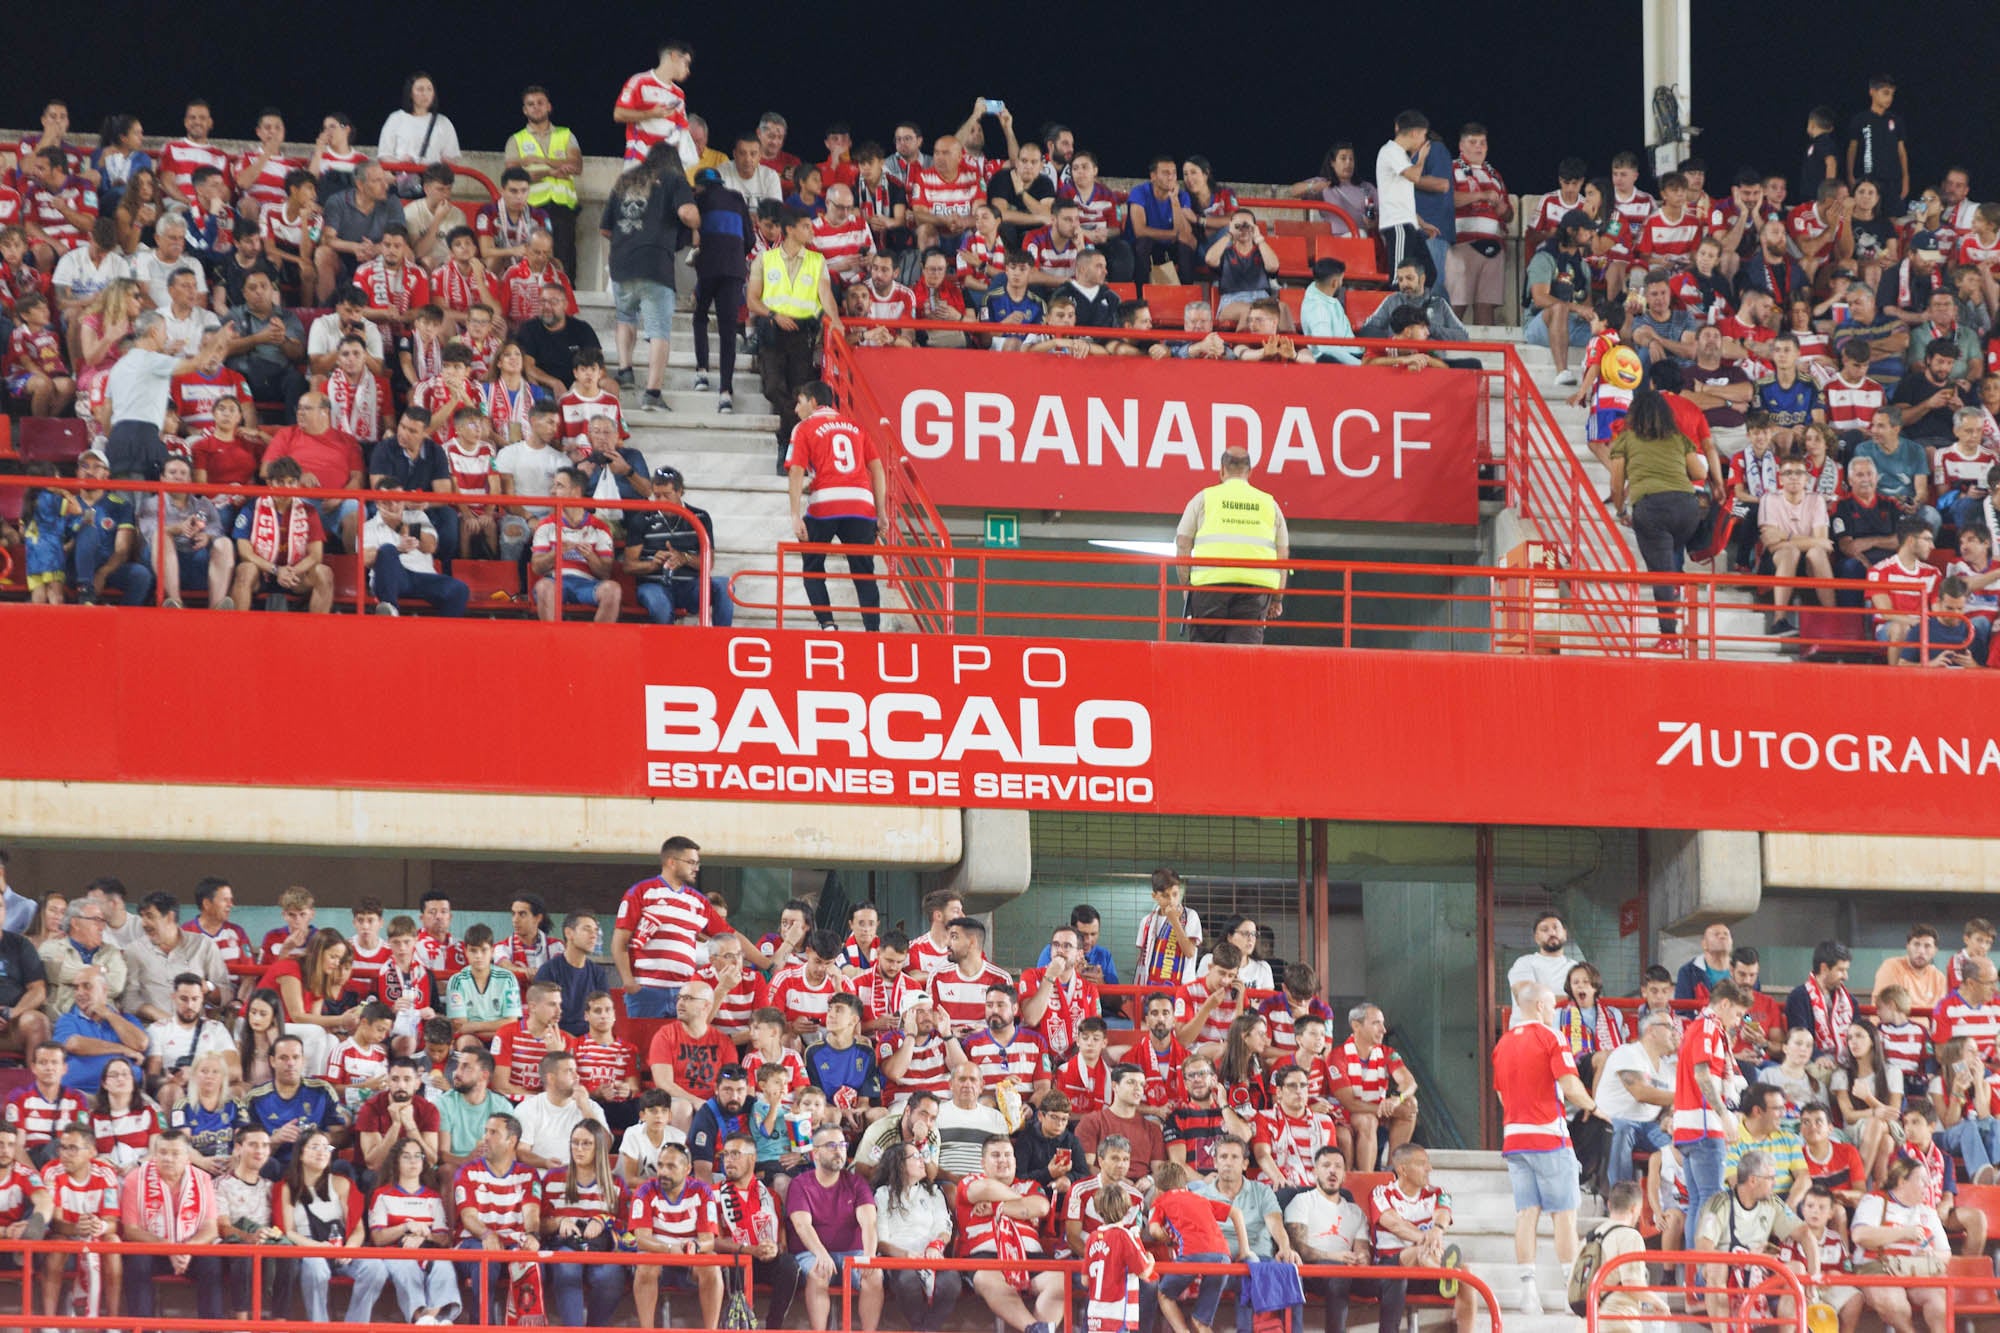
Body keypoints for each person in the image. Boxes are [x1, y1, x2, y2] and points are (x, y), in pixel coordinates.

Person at [1495, 983, 1597, 1314]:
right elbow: (1569, 1085)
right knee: (1564, 1216)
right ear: (1540, 1005)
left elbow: (1501, 1094)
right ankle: (1572, 1293)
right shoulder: (1552, 1037)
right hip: (1549, 1137)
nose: (1555, 1012)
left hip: (1514, 1137)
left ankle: (1528, 1293)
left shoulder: (1503, 1043)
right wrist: (1596, 1107)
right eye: (1552, 1006)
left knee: (1526, 1213)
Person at [601, 142, 699, 416]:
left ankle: (625, 370)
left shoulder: (626, 179)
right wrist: (697, 224)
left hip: (621, 262)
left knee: (625, 318)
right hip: (655, 264)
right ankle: (652, 393)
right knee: (658, 331)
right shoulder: (673, 179)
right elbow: (687, 213)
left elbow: (605, 229)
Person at [1609, 389, 1706, 642]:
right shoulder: (1678, 438)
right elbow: (1697, 472)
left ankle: (1669, 635)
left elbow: (1616, 485)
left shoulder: (1626, 440)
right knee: (1669, 555)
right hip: (1687, 508)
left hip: (1651, 508)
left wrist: (1621, 511)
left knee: (1659, 571)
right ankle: (1676, 581)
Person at [752, 206, 843, 459]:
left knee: (800, 391)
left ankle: (787, 447)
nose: (811, 231)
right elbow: (752, 300)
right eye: (806, 226)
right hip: (772, 330)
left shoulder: (817, 261)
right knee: (772, 388)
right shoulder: (765, 258)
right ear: (789, 229)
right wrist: (773, 315)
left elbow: (825, 294)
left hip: (801, 334)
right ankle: (790, 443)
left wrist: (835, 320)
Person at [274, 1128, 389, 1325]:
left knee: (376, 1268)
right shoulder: (287, 1186)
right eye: (314, 1147)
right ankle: (319, 1326)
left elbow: (357, 1229)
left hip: (341, 1250)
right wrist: (318, 1248)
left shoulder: (341, 1183)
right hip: (309, 1251)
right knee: (317, 1267)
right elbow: (288, 1231)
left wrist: (350, 1249)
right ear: (300, 1154)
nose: (322, 1152)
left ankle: (355, 1326)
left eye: (326, 1147)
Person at [1174, 446, 1287, 645]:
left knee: (1205, 656)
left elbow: (1183, 544)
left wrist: (1187, 587)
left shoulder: (1203, 499)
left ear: (1222, 470)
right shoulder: (1270, 504)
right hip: (1255, 590)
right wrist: (1277, 598)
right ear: (1249, 472)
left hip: (1209, 587)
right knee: (1243, 658)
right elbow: (1282, 554)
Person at [957, 1133, 1065, 1333]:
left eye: (1008, 1155)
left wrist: (997, 1208)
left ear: (1015, 1160)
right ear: (983, 1162)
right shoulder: (971, 1180)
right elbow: (986, 1188)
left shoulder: (1031, 1185)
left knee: (1061, 1281)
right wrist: (1020, 1201)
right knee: (989, 1281)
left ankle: (1041, 1329)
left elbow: (1041, 1207)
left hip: (1030, 1255)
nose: (1003, 1160)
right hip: (985, 1256)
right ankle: (1033, 1328)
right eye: (995, 1155)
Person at [1370, 1144, 1475, 1333]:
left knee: (1466, 1274)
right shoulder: (1381, 1192)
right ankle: (1446, 1273)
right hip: (1391, 1267)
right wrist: (1426, 1237)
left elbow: (1443, 1213)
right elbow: (1394, 1224)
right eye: (1422, 1164)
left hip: (1426, 1269)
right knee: (1419, 1252)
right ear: (1402, 1170)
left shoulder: (1438, 1192)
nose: (1429, 1169)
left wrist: (1438, 1229)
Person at [1674, 978, 1750, 1231]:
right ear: (1725, 1004)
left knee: (1698, 1202)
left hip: (1689, 1126)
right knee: (1710, 1200)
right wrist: (1724, 1115)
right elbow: (1702, 1074)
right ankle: (1705, 1270)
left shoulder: (1700, 1027)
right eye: (1738, 1014)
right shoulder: (1708, 1027)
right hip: (1704, 1127)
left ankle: (1696, 1269)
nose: (1738, 1022)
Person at [451, 1112, 541, 1323]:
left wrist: (532, 1235)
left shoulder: (528, 1174)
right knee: (486, 1260)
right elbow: (468, 1217)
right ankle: (483, 1326)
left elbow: (532, 1213)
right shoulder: (467, 1171)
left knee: (534, 1263)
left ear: (512, 1141)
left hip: (512, 1242)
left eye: (493, 1133)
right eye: (485, 1132)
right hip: (472, 1242)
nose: (485, 1138)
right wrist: (486, 1234)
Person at [537, 1120, 625, 1327]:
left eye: (586, 1144)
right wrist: (559, 1222)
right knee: (567, 1266)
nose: (579, 1149)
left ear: (599, 1148)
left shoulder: (616, 1184)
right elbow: (537, 1224)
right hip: (564, 1245)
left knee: (609, 1275)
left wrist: (603, 1221)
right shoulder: (552, 1178)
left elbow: (627, 1227)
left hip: (601, 1248)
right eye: (575, 1143)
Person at [1146, 1159, 1251, 1333]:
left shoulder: (1161, 1200)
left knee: (1164, 1295)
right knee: (1201, 1321)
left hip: (1191, 1254)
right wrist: (1244, 1249)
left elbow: (1155, 1230)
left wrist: (1167, 1239)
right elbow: (1236, 1212)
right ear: (1186, 1186)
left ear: (1158, 1190)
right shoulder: (1200, 1198)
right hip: (1223, 1258)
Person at [630, 1140, 723, 1329]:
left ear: (687, 1169)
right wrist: (671, 1250)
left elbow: (708, 1242)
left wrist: (694, 1248)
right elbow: (641, 1240)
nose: (663, 1171)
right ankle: (646, 1330)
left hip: (691, 1258)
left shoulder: (702, 1191)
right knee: (646, 1264)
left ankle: (711, 1330)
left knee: (712, 1265)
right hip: (658, 1255)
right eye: (661, 1165)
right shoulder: (645, 1191)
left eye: (671, 1166)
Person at [368, 1135, 461, 1325]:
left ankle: (433, 1318)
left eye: (418, 1156)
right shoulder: (382, 1194)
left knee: (444, 1266)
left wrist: (424, 1235)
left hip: (427, 1252)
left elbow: (444, 1239)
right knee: (407, 1268)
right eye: (406, 1157)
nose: (413, 1161)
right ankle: (421, 1319)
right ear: (396, 1162)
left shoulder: (433, 1196)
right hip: (396, 1255)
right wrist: (406, 1227)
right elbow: (377, 1237)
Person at [870, 1139, 957, 1330]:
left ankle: (926, 1329)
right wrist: (905, 1256)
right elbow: (881, 1240)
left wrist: (936, 1245)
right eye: (916, 1156)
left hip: (931, 1255)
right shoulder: (882, 1194)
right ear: (899, 1163)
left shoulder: (934, 1192)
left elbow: (943, 1225)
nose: (922, 1161)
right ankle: (922, 1328)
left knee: (951, 1281)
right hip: (898, 1259)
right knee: (907, 1280)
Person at [1285, 1144, 1372, 1333]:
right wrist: (1337, 1257)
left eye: (1338, 1166)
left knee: (1393, 1280)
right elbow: (1302, 1252)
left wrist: (1363, 1257)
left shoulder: (1355, 1212)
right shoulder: (1303, 1201)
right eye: (1326, 1166)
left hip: (1347, 1271)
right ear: (1315, 1171)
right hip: (1312, 1271)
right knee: (1339, 1274)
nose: (1332, 1170)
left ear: (1344, 1174)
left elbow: (1362, 1249)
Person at [1597, 1012, 1678, 1186]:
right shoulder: (1627, 1052)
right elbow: (1641, 1093)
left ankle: (1674, 1198)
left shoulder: (1668, 1070)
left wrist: (1668, 1119)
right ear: (1651, 1030)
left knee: (1678, 1143)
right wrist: (1685, 1097)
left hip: (1649, 1125)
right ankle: (1621, 1196)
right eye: (1669, 1027)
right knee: (1624, 1129)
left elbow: (1668, 1107)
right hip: (1613, 1122)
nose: (1674, 1032)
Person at [1785, 941, 1856, 1060]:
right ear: (1824, 968)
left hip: (1848, 1060)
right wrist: (1818, 1057)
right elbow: (1799, 1038)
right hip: (1810, 1060)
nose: (1845, 976)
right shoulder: (1798, 998)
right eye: (1840, 970)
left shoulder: (1850, 1001)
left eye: (1846, 970)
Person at [1507, 912, 1579, 1020]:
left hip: (1566, 1031)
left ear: (1565, 933)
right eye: (1545, 930)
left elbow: (1590, 1000)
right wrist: (1574, 1000)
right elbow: (1527, 998)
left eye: (1556, 928)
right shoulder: (1524, 963)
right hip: (1530, 1032)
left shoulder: (1576, 967)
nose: (1552, 932)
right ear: (1536, 938)